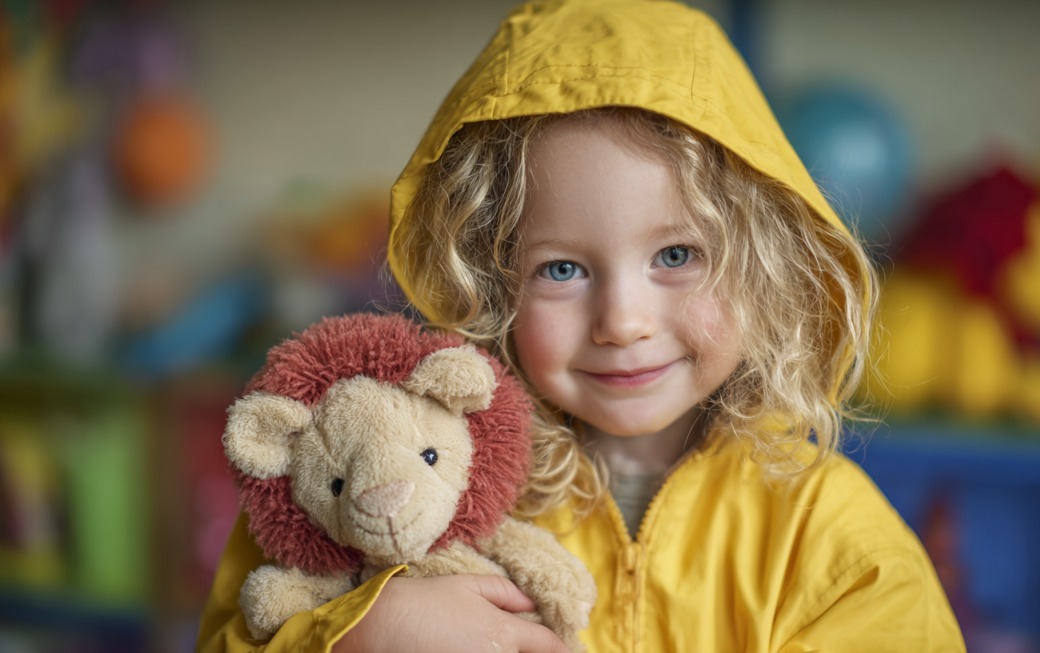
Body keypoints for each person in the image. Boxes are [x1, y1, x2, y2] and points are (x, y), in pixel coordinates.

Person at [197, 0, 965, 650]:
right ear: (489, 284)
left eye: (675, 253)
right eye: (561, 269)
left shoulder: (828, 539)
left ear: (759, 267)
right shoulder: (397, 474)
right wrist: (357, 630)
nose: (623, 322)